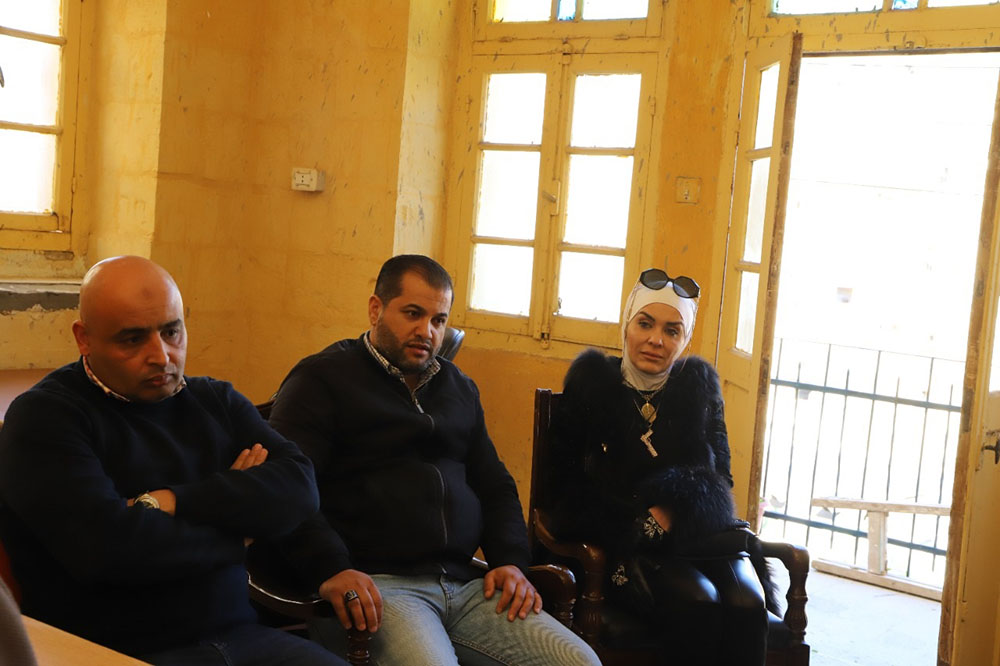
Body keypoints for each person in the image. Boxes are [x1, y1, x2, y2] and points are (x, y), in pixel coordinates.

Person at [0, 256, 346, 666]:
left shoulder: (215, 400)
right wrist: (239, 531)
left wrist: (169, 502)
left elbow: (300, 488)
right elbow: (109, 551)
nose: (162, 356)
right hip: (114, 650)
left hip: (242, 636)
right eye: (133, 339)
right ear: (84, 338)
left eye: (171, 331)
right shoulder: (46, 417)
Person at [268, 254, 600, 666]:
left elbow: (495, 485)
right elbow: (285, 487)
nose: (426, 331)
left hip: (466, 585)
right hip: (375, 589)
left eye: (439, 320)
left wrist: (510, 562)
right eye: (413, 314)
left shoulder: (458, 387)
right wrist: (330, 569)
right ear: (375, 309)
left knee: (581, 662)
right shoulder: (322, 380)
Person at [547, 268, 775, 666]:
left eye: (672, 330)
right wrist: (638, 525)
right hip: (625, 546)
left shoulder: (698, 386)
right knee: (698, 602)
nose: (656, 340)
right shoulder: (592, 383)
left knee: (747, 605)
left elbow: (720, 478)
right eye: (645, 323)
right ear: (627, 324)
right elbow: (562, 484)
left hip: (698, 537)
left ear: (684, 339)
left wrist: (674, 508)